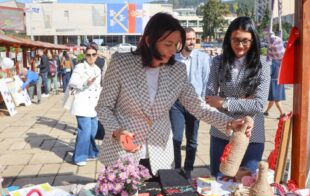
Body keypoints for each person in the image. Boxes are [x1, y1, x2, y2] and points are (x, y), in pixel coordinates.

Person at [96, 13, 253, 177]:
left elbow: (199, 107)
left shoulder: (177, 70)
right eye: (168, 44)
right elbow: (104, 107)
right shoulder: (121, 63)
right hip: (123, 153)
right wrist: (117, 131)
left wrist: (229, 122)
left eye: (176, 44)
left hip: (160, 154)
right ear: (149, 40)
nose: (173, 50)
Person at [205, 16, 270, 177]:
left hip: (251, 132)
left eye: (245, 41)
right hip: (222, 130)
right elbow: (209, 98)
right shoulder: (218, 62)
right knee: (218, 181)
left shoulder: (263, 64)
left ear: (253, 40)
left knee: (247, 184)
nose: (240, 45)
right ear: (228, 39)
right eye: (235, 40)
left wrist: (225, 102)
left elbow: (259, 105)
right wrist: (246, 101)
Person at [169, 27, 211, 177]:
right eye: (188, 39)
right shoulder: (173, 58)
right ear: (181, 40)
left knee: (192, 140)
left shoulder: (203, 58)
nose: (192, 42)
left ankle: (188, 169)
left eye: (194, 39)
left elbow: (206, 81)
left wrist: (203, 104)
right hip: (177, 104)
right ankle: (177, 168)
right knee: (176, 138)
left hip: (195, 103)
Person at [67, 44, 102, 166]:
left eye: (93, 54)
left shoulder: (98, 69)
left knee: (93, 131)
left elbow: (98, 87)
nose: (91, 57)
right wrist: (85, 83)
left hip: (94, 104)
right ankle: (79, 157)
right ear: (85, 56)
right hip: (82, 103)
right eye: (88, 55)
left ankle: (91, 152)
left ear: (97, 56)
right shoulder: (80, 67)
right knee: (85, 131)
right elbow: (72, 82)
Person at [263, 30, 286, 119]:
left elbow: (269, 74)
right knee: (272, 98)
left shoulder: (272, 62)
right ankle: (266, 111)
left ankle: (282, 114)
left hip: (274, 82)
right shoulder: (280, 60)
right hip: (279, 81)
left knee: (276, 99)